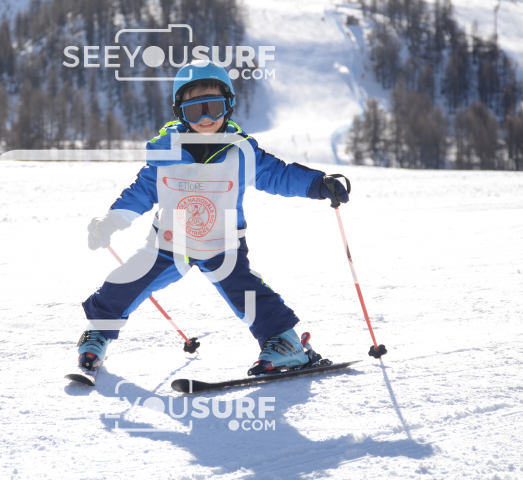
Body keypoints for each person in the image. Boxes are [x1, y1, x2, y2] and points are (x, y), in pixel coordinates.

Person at [77, 60, 349, 376]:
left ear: (228, 106)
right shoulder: (167, 152)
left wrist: (318, 184)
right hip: (169, 241)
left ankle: (284, 343)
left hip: (223, 241)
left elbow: (277, 175)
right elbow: (141, 192)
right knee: (125, 281)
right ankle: (98, 332)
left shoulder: (240, 152)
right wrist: (110, 223)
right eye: (195, 111)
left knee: (247, 293)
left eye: (214, 108)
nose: (205, 118)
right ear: (180, 112)